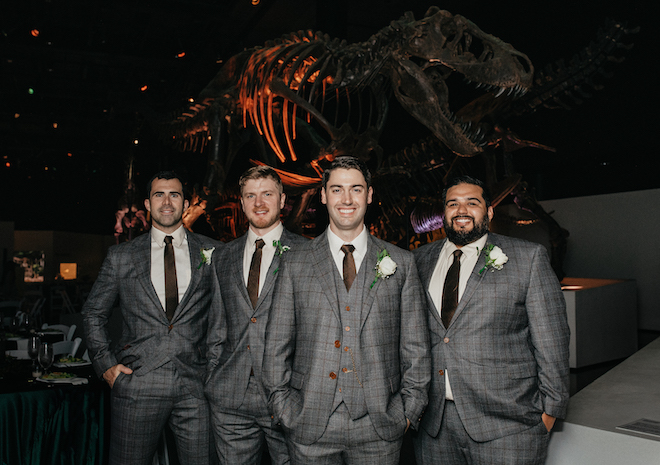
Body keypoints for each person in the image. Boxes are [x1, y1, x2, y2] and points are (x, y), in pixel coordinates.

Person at [263, 156, 431, 465]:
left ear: (369, 195)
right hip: (309, 424)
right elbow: (276, 344)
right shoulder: (294, 263)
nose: (347, 199)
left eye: (356, 189)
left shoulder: (401, 262)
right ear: (324, 195)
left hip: (380, 426)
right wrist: (284, 408)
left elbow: (416, 347)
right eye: (337, 189)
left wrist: (408, 412)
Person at [412, 175, 570, 465]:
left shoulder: (528, 258)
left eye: (472, 203)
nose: (462, 210)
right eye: (453, 204)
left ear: (490, 211)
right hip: (433, 427)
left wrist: (550, 412)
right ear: (444, 213)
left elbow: (551, 340)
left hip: (507, 426)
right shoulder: (418, 261)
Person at [82, 170, 222, 465]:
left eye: (175, 194)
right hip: (137, 384)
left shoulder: (214, 252)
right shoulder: (121, 256)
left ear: (186, 204)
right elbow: (93, 312)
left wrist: (216, 369)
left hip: (197, 386)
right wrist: (106, 366)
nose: (167, 201)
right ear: (147, 204)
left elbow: (227, 317)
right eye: (159, 194)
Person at [205, 166, 307, 464]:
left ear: (282, 199)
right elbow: (216, 324)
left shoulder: (307, 253)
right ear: (241, 201)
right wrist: (213, 377)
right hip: (229, 398)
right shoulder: (222, 256)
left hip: (286, 396)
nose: (259, 203)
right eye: (251, 195)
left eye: (267, 194)